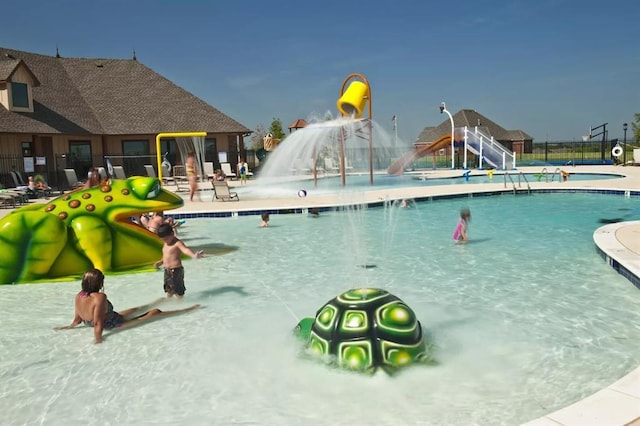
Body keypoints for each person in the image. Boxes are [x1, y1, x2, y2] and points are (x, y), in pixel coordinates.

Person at [54, 268, 200, 344]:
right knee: (155, 312)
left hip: (93, 321)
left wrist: (68, 327)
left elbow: (77, 319)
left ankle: (153, 302)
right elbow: (99, 323)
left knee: (134, 310)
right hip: (110, 324)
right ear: (100, 283)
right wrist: (98, 340)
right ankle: (186, 310)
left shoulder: (80, 295)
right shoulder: (99, 297)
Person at [153, 223, 204, 297]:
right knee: (169, 290)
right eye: (163, 240)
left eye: (166, 239)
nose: (165, 241)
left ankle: (180, 303)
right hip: (167, 271)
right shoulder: (166, 244)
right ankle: (170, 303)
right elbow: (166, 256)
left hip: (176, 270)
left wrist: (194, 255)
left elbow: (185, 250)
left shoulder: (177, 243)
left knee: (178, 291)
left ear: (172, 233)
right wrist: (160, 262)